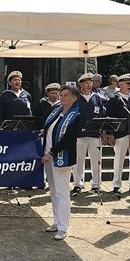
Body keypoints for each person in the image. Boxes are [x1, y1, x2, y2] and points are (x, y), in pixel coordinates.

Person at [40, 85, 81, 240]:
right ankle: (57, 222)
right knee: (53, 191)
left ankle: (63, 227)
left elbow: (68, 139)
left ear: (73, 98)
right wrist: (44, 131)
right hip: (49, 156)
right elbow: (51, 128)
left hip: (61, 157)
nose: (61, 97)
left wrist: (51, 153)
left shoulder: (76, 115)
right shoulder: (57, 111)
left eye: (65, 95)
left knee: (62, 192)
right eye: (61, 95)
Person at [105, 73, 130, 195]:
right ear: (120, 85)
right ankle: (116, 185)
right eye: (127, 83)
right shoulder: (114, 99)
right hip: (120, 135)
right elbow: (108, 118)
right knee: (119, 160)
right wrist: (110, 134)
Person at [72, 73, 105, 196]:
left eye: (91, 82)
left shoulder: (96, 98)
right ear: (81, 84)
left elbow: (101, 115)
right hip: (79, 134)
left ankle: (96, 183)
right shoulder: (75, 98)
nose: (89, 84)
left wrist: (103, 132)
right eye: (86, 82)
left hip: (95, 134)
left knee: (96, 160)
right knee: (79, 160)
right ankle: (78, 183)